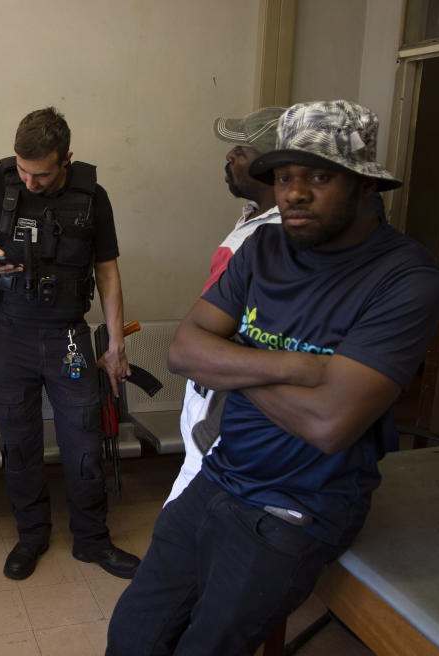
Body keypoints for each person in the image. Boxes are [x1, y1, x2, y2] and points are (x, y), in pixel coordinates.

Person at [107, 100, 439, 654]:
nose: (294, 193)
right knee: (132, 634)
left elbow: (329, 421)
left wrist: (234, 359)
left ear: (365, 185)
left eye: (319, 176)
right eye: (285, 176)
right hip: (219, 476)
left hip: (296, 509)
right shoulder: (264, 248)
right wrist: (303, 366)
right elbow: (185, 352)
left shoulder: (406, 278)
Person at [0, 107, 140, 581]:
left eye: (42, 173)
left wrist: (115, 345)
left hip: (68, 337)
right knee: (20, 440)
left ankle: (92, 540)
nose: (30, 182)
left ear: (67, 159)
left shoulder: (94, 196)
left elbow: (108, 271)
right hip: (9, 335)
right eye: (23, 170)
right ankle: (31, 536)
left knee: (83, 441)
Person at [166, 105, 285, 505]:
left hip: (230, 398)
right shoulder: (254, 218)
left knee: (195, 506)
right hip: (209, 387)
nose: (229, 157)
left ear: (271, 166)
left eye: (242, 151)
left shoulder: (278, 238)